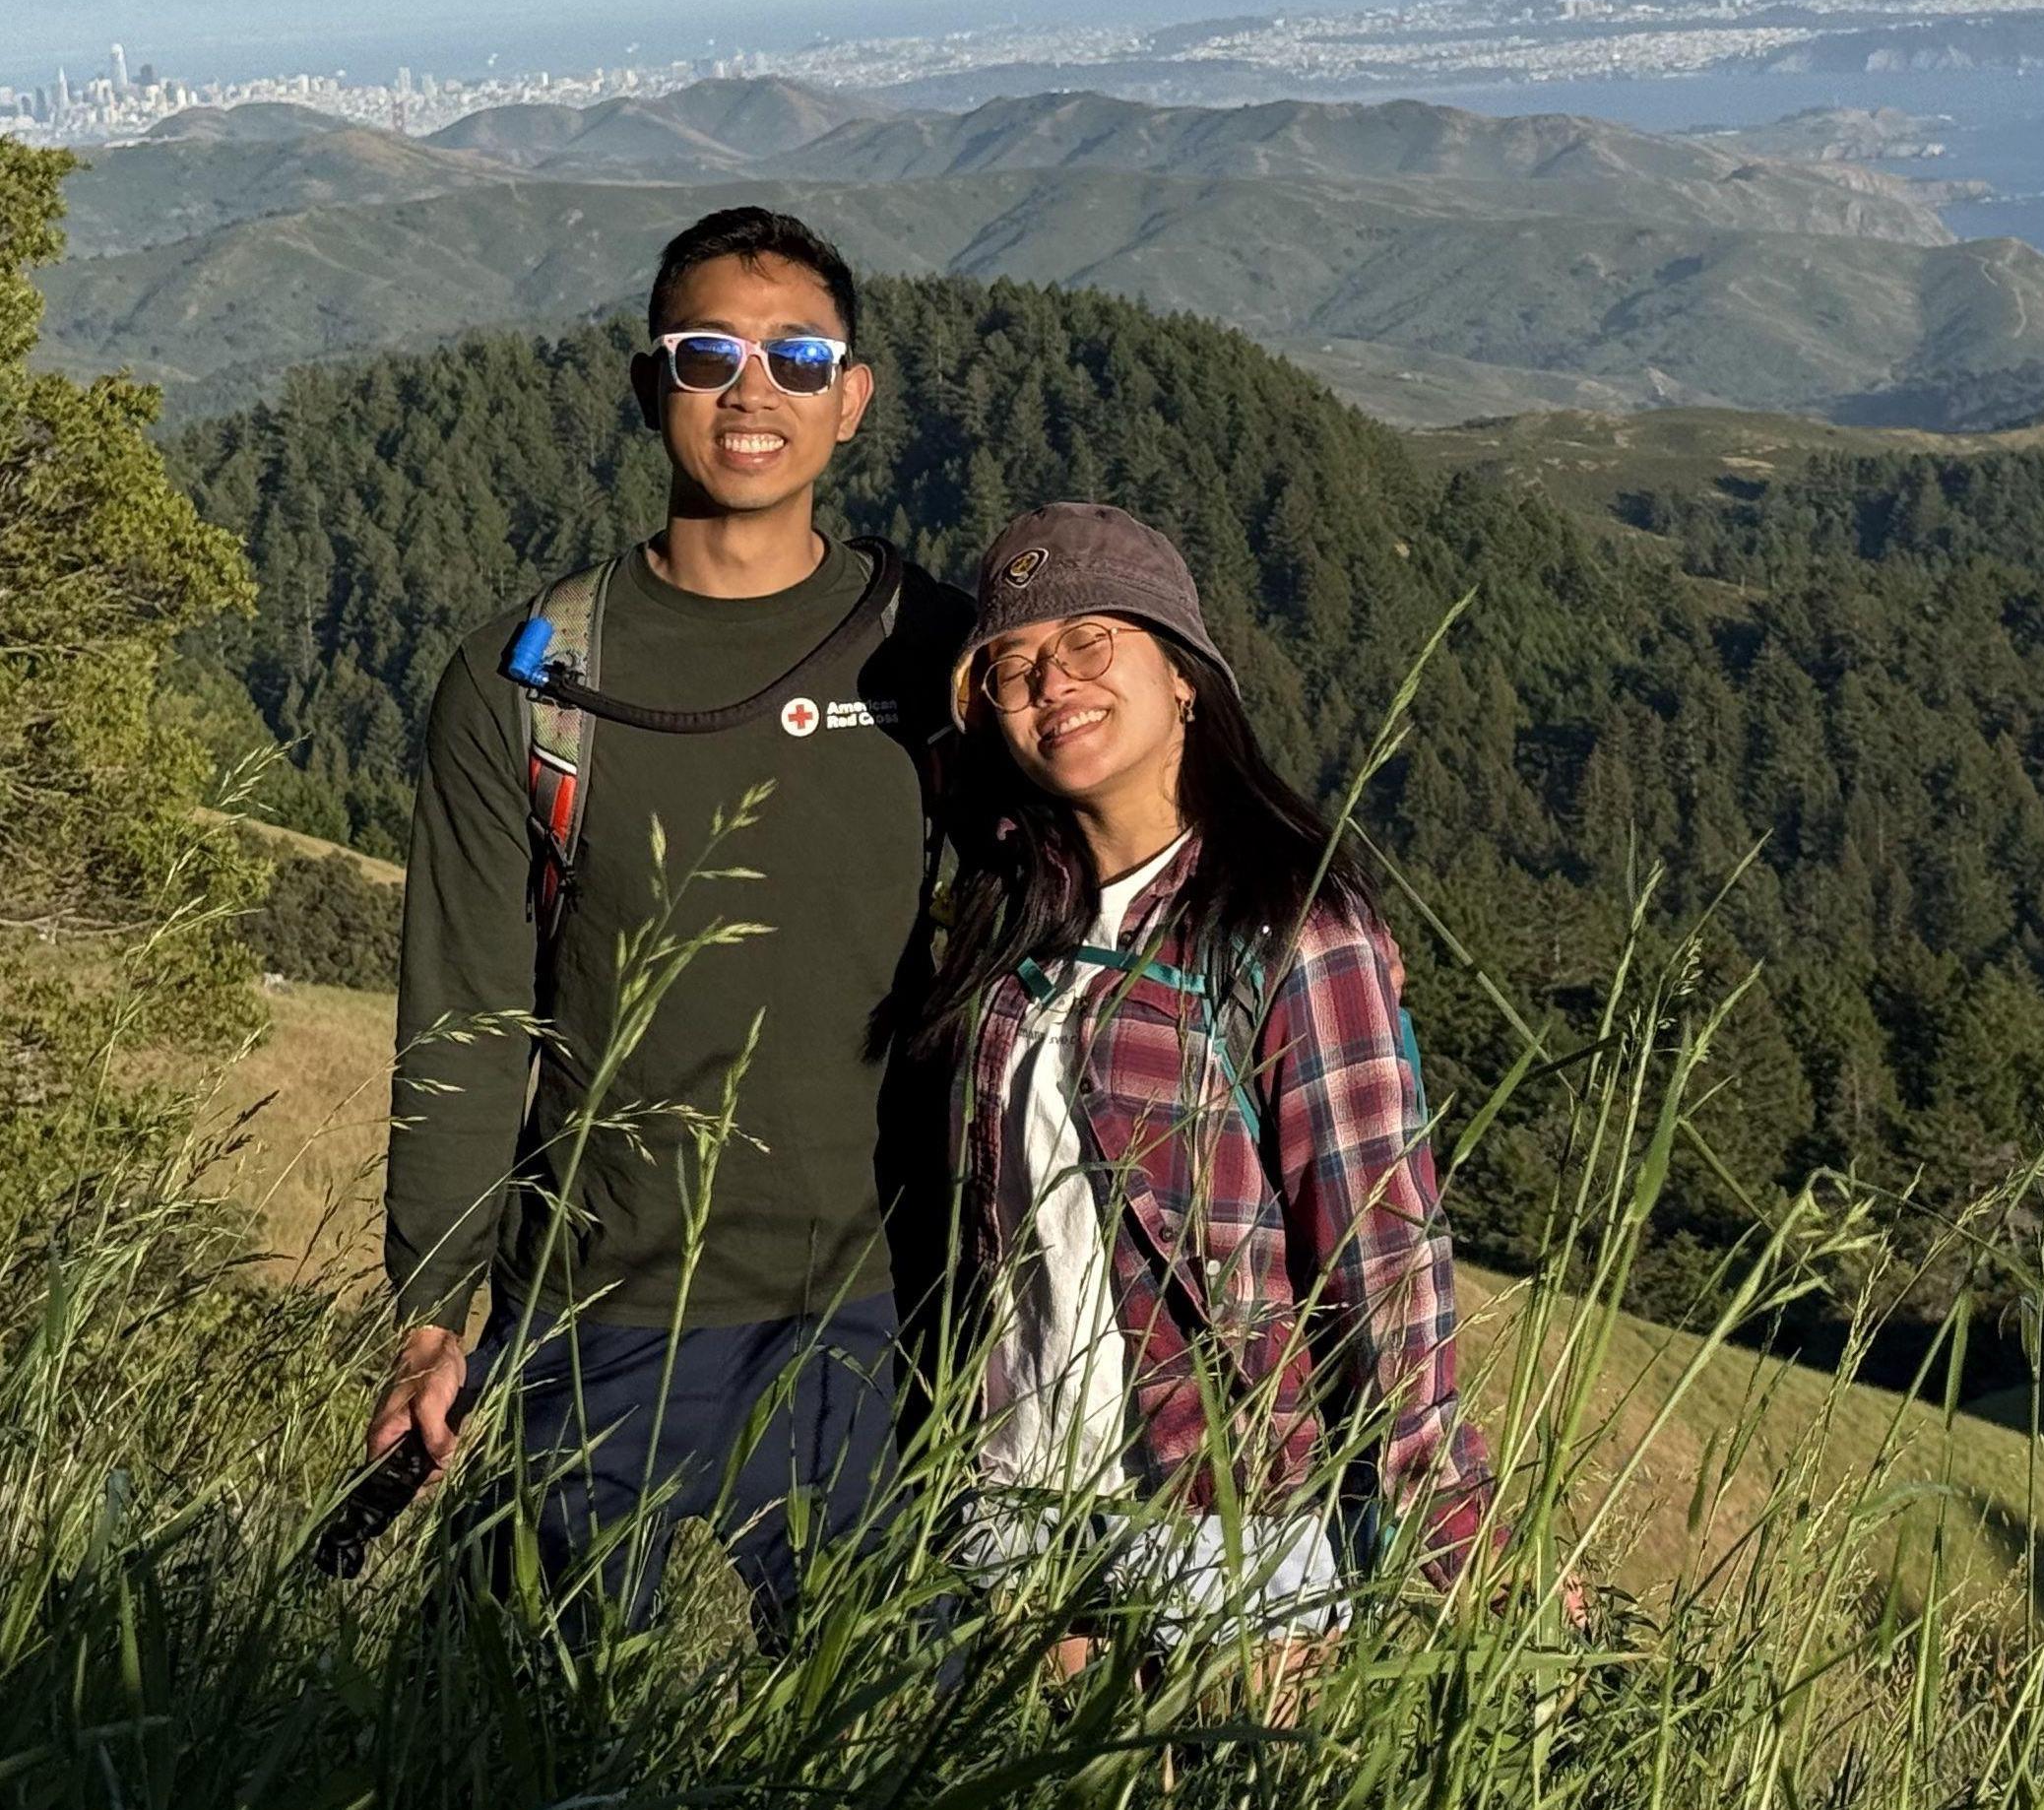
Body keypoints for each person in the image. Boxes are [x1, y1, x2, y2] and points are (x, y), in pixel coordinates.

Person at [370, 204, 966, 1627]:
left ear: (853, 399)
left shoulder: (946, 658)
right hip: (598, 1306)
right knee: (531, 1735)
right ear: (652, 388)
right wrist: (434, 1317)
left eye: (797, 356)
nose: (752, 388)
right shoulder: (525, 682)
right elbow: (461, 1013)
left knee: (880, 1737)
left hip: (884, 1310)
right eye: (707, 353)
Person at [928, 501, 1496, 1660]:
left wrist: (1451, 1537)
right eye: (1013, 668)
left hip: (1219, 1528)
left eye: (1091, 642)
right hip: (1006, 1507)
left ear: (1184, 672)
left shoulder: (1291, 928)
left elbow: (1379, 1259)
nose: (1052, 684)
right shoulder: (1007, 933)